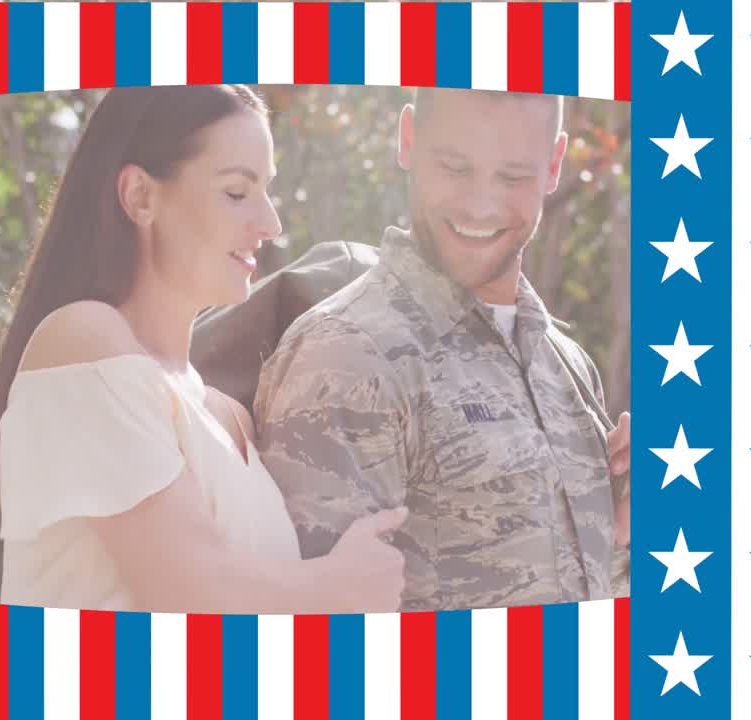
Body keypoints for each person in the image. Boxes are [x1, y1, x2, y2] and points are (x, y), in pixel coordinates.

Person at [0, 85, 406, 615]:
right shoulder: (80, 340)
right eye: (237, 192)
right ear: (141, 197)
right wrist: (338, 584)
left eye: (268, 191)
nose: (270, 223)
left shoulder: (228, 414)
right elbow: (193, 590)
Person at [252, 88, 631, 612]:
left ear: (553, 165)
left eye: (512, 176)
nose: (479, 204)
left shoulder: (562, 361)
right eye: (454, 167)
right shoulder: (346, 357)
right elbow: (316, 642)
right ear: (408, 139)